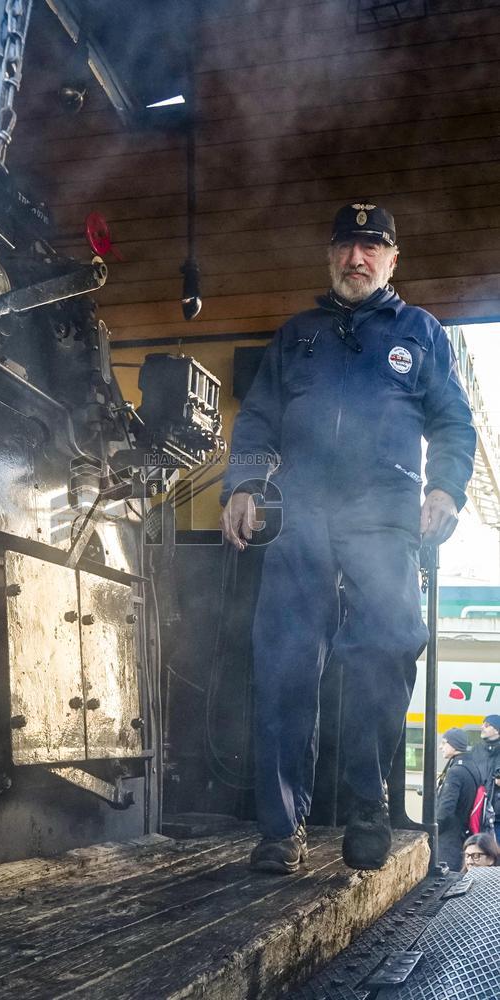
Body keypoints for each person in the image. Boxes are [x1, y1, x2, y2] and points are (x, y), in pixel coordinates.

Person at [220, 203, 476, 873]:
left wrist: (444, 489)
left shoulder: (419, 332)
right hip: (300, 513)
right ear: (330, 255)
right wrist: (241, 488)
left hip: (385, 512)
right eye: (345, 247)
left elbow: (453, 423)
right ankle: (281, 831)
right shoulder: (296, 335)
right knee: (283, 664)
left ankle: (369, 799)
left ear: (393, 260)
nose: (355, 259)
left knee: (387, 648)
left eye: (371, 248)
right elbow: (257, 421)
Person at [436, 728, 480, 871]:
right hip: (463, 835)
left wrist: (433, 830)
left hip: (448, 841)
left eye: (444, 743)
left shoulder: (455, 772)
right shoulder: (472, 766)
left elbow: (445, 810)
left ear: (454, 745)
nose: (440, 747)